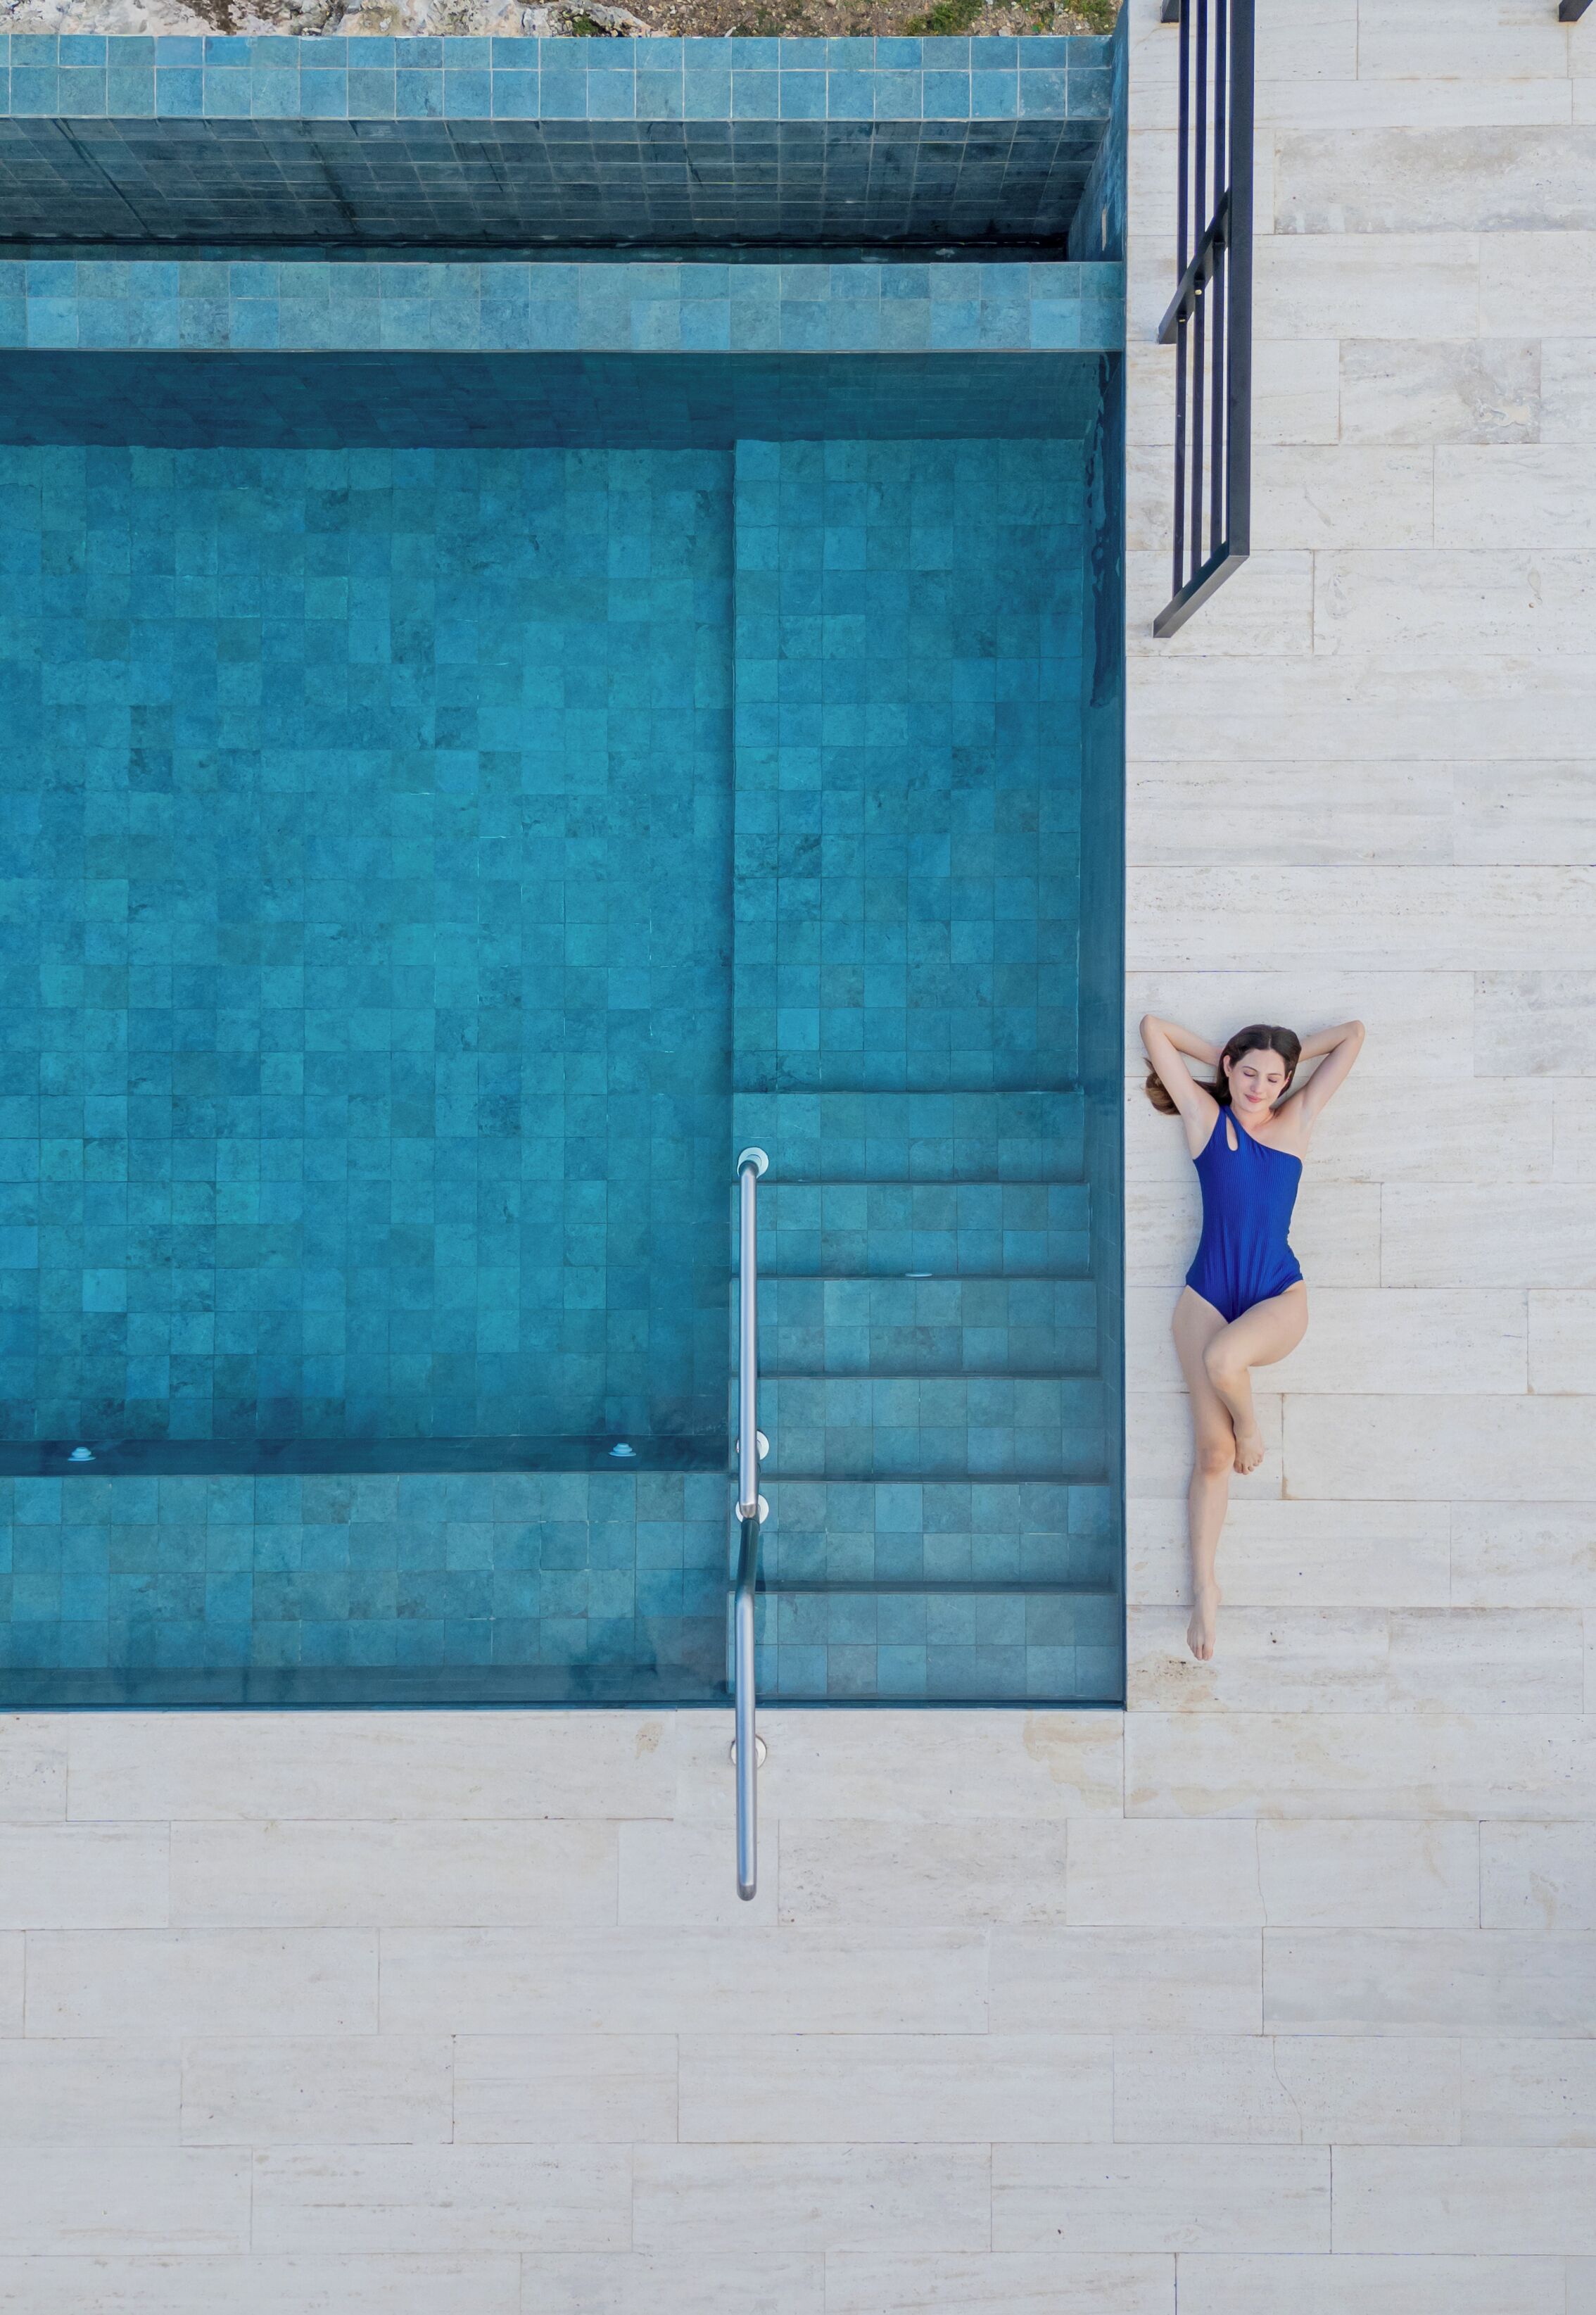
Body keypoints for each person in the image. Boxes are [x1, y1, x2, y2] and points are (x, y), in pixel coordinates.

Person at [1139, 1014, 1366, 1662]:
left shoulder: (1297, 1122)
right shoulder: (1207, 1121)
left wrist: (1284, 1058)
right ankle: (1205, 1589)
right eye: (1247, 1074)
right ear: (1230, 1071)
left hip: (1276, 1294)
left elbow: (1352, 1034)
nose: (1258, 1087)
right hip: (1206, 1297)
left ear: (1289, 1079)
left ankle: (1252, 1426)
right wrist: (1225, 1053)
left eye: (1273, 1078)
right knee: (1212, 1455)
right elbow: (1154, 1029)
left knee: (1226, 1360)